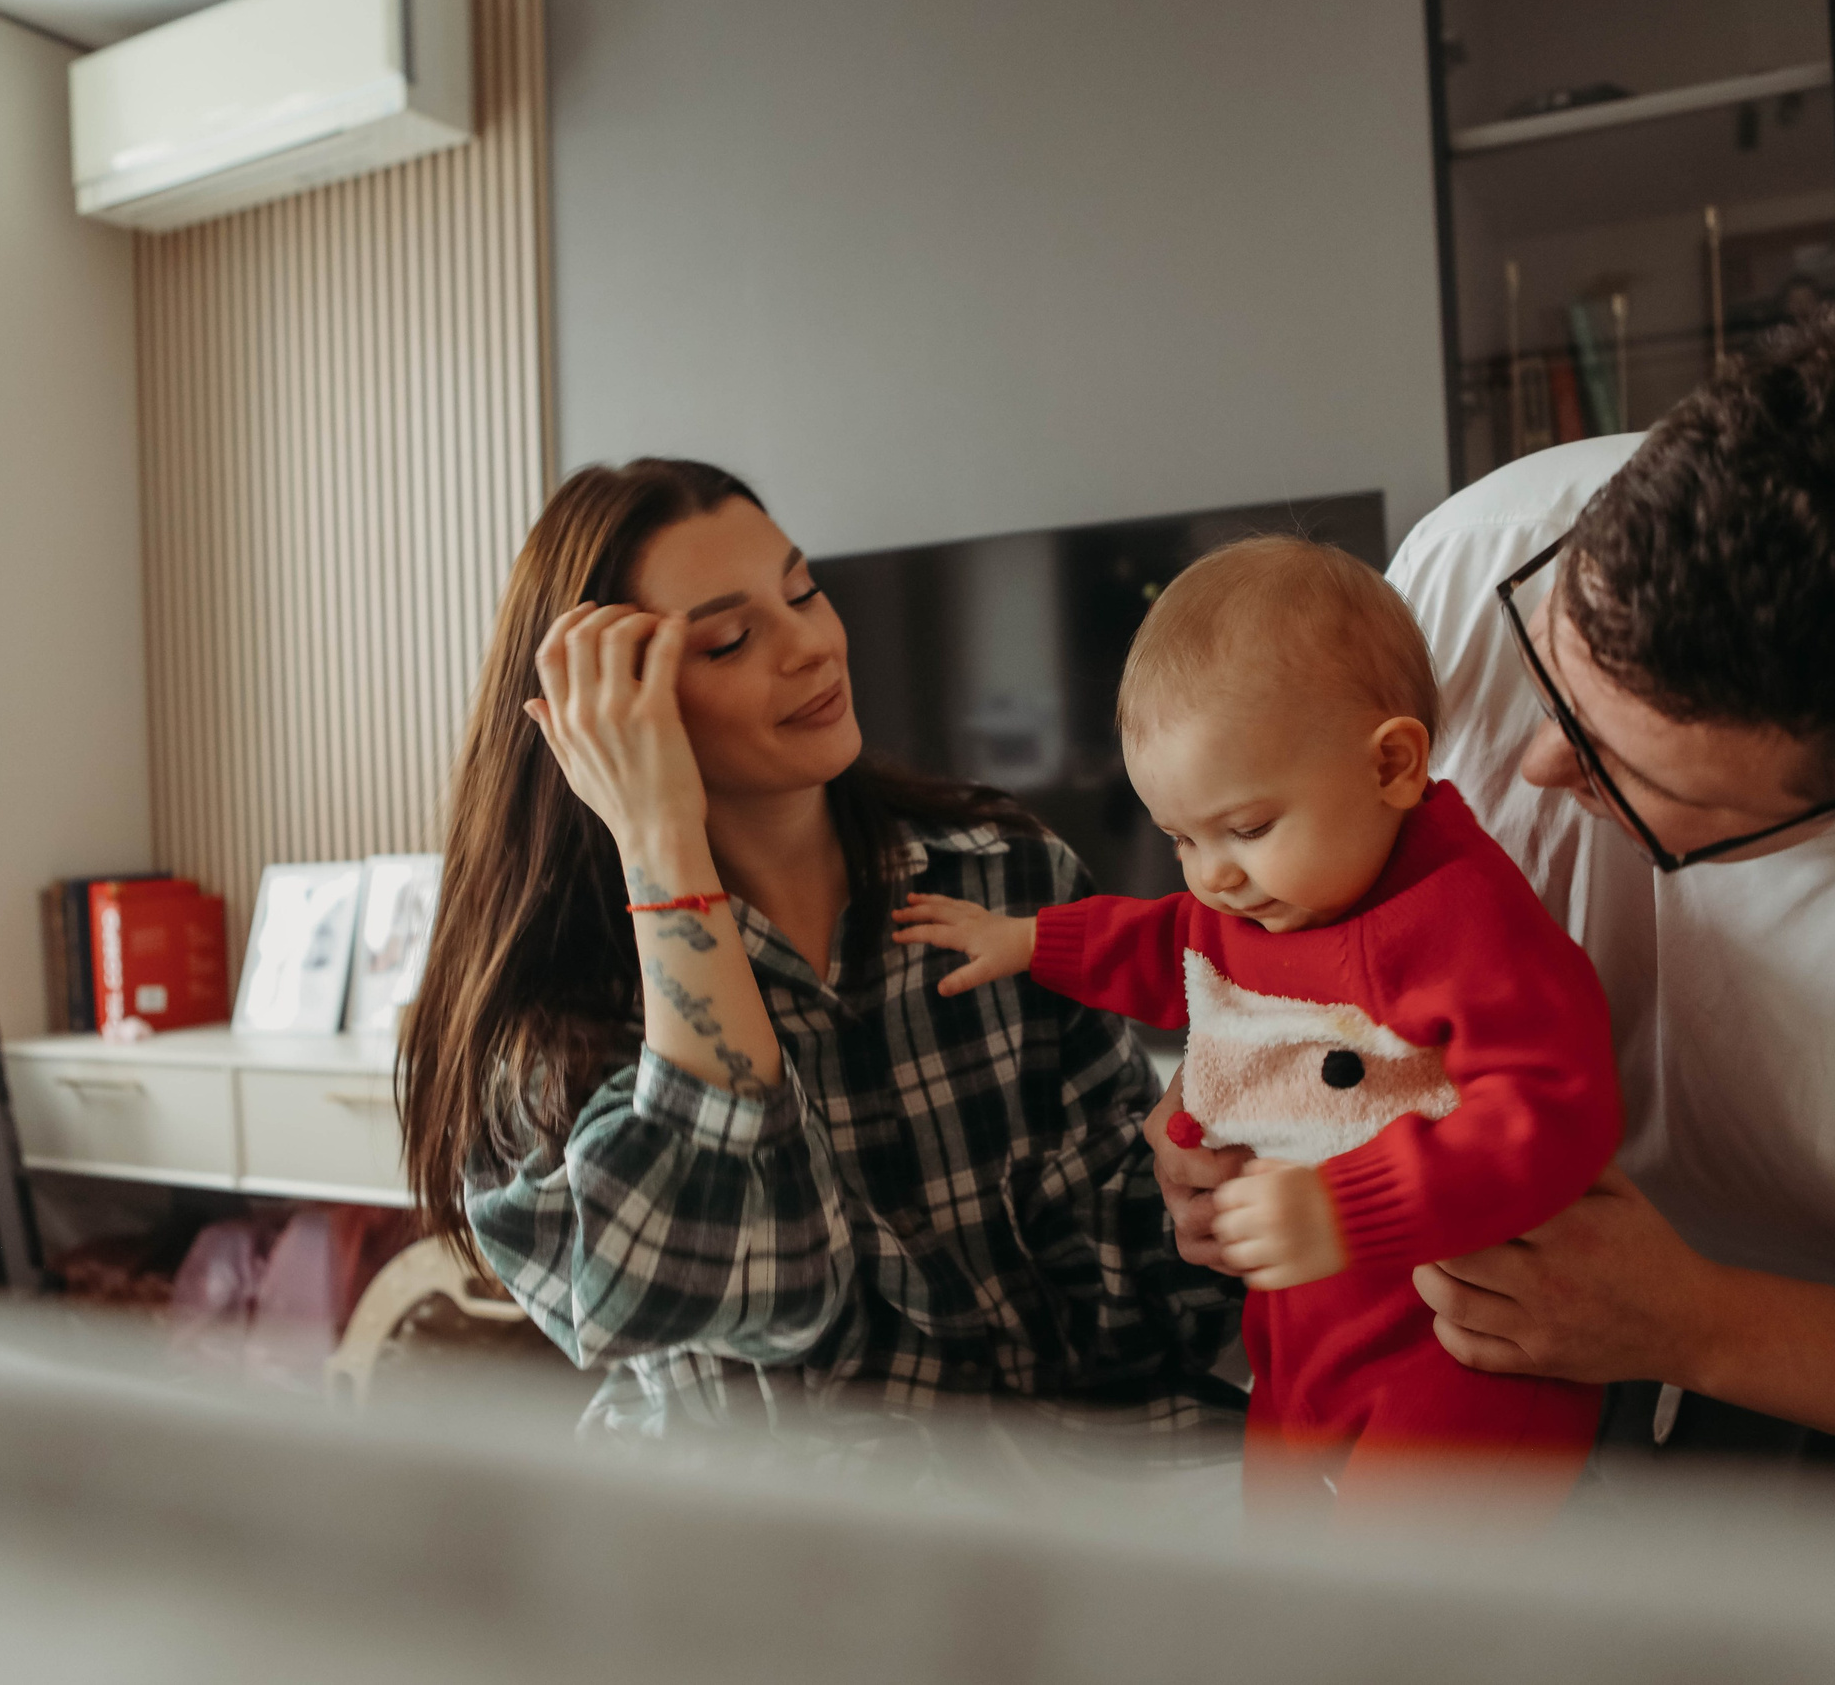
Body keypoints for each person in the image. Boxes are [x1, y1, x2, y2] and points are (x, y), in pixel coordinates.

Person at [1154, 326, 1835, 1514]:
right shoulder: (1472, 563)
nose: (1534, 767)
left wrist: (1702, 1328)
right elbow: (1308, 896)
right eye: (1555, 677)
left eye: (1643, 778)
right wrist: (1232, 1079)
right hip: (1472, 1271)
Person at [400, 458, 1238, 1445]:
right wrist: (659, 844)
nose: (810, 647)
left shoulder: (1009, 884)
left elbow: (1149, 1308)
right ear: (607, 721)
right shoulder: (555, 1023)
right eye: (728, 640)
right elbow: (760, 1285)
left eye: (804, 592)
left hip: (1091, 1497)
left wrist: (1202, 1205)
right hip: (795, 1561)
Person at [895, 538, 1621, 1506]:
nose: (1212, 875)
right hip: (1296, 1338)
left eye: (1245, 829)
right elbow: (1161, 945)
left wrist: (1345, 1208)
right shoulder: (1253, 902)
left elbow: (1552, 1113)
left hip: (1458, 1348)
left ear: (1392, 766)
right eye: (1179, 839)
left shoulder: (1461, 922)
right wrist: (1030, 941)